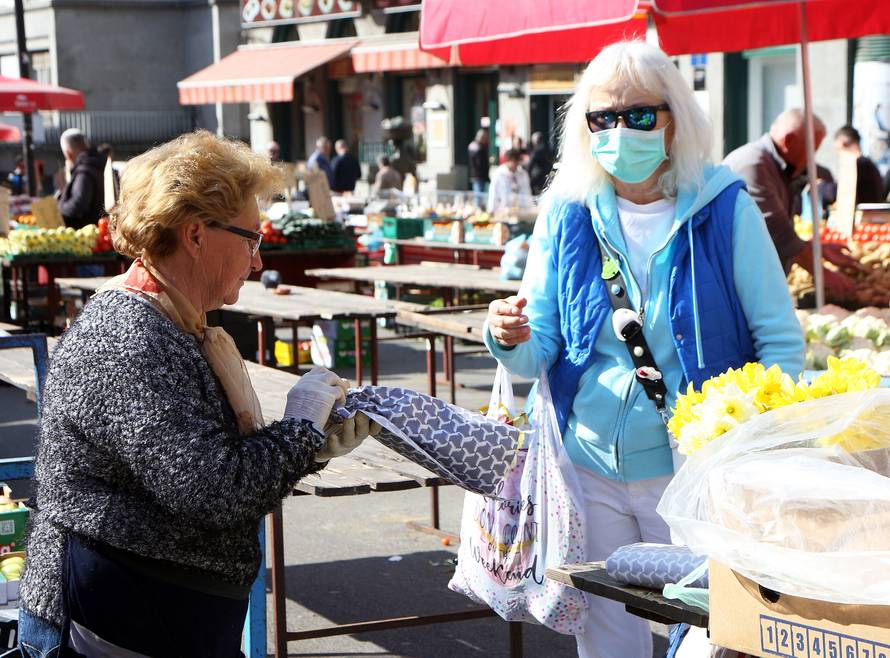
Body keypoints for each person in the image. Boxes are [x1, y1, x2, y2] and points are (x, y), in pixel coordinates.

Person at [484, 40, 804, 658]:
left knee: (707, 629)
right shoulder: (565, 211)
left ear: (674, 118)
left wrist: (750, 446)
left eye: (638, 115)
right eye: (601, 118)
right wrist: (507, 337)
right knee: (606, 633)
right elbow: (540, 349)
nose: (619, 131)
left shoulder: (725, 207)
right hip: (589, 465)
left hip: (696, 470)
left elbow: (781, 341)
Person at [18, 130, 379, 657]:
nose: (257, 261)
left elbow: (209, 464)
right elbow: (213, 489)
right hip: (115, 618)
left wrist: (310, 444)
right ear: (195, 235)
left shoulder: (168, 321)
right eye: (251, 239)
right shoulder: (129, 336)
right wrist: (300, 429)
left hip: (149, 612)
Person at [724, 109, 857, 301]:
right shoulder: (754, 164)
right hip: (736, 290)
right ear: (788, 141)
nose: (811, 160)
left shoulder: (776, 166)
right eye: (811, 150)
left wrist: (818, 248)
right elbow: (778, 234)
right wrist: (824, 275)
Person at [56, 128, 107, 229]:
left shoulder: (84, 172)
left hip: (86, 234)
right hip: (100, 230)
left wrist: (59, 208)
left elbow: (78, 204)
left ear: (68, 154)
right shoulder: (98, 165)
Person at [833, 125, 885, 204]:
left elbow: (841, 191)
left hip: (864, 214)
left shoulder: (859, 165)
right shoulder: (867, 164)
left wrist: (822, 187)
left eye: (838, 150)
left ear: (843, 144)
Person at [488, 148, 533, 213]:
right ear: (507, 161)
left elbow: (527, 192)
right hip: (502, 212)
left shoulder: (523, 174)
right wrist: (492, 210)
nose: (516, 164)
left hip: (520, 212)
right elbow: (493, 194)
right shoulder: (499, 174)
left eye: (518, 161)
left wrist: (528, 208)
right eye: (514, 161)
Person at [527, 131, 555, 195]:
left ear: (535, 141)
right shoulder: (548, 149)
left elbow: (531, 164)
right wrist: (552, 174)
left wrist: (527, 174)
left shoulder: (537, 151)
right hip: (549, 174)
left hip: (539, 176)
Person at [468, 129, 490, 205]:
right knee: (478, 195)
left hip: (481, 175)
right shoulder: (476, 147)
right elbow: (479, 163)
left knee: (481, 195)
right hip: (478, 175)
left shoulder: (481, 147)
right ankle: (477, 209)